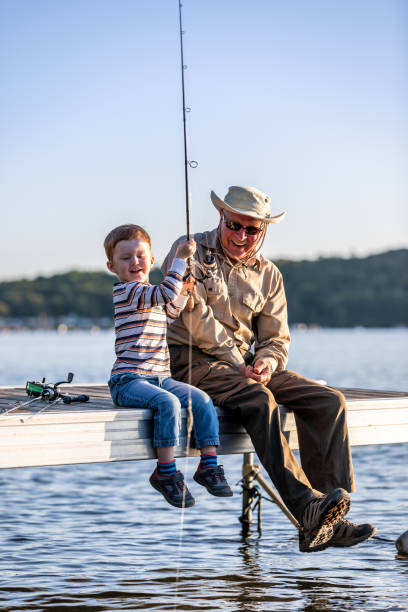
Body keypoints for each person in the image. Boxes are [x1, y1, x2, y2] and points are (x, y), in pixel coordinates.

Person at [162, 185, 377, 551]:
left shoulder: (270, 274)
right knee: (259, 399)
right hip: (193, 362)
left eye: (252, 230)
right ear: (221, 218)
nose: (241, 236)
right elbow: (193, 318)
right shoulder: (189, 250)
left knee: (330, 401)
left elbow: (277, 338)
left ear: (263, 231)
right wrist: (239, 361)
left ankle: (327, 521)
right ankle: (308, 509)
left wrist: (266, 361)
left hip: (244, 366)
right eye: (235, 225)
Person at [104, 223, 233, 509]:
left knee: (201, 400)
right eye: (125, 258)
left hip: (160, 376)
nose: (134, 262)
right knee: (168, 404)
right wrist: (180, 258)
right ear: (112, 266)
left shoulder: (150, 294)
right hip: (128, 380)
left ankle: (208, 465)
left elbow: (169, 312)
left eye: (140, 256)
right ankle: (165, 472)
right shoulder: (127, 292)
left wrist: (185, 291)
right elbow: (163, 295)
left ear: (150, 260)